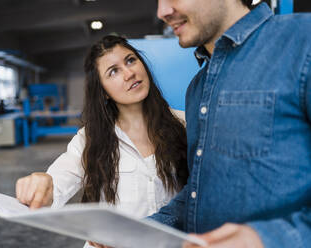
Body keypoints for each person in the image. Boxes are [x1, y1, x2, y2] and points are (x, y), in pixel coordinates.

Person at [144, 0, 311, 247]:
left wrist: (266, 239)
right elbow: (198, 190)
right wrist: (142, 231)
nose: (162, 12)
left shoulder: (302, 40)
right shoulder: (197, 88)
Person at [15, 35, 189, 247]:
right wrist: (42, 184)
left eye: (131, 60)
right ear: (103, 92)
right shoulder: (89, 139)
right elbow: (57, 184)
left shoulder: (183, 124)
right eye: (113, 71)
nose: (129, 73)